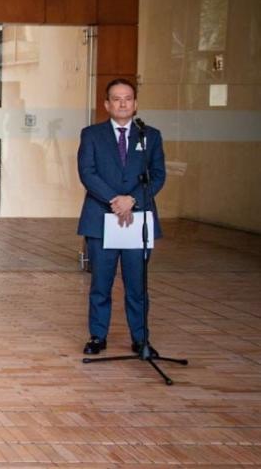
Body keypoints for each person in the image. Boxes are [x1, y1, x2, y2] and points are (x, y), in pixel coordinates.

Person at [78, 78, 166, 355]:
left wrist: (133, 200)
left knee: (137, 285)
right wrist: (115, 201)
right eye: (116, 98)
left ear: (136, 103)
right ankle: (97, 336)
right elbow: (87, 172)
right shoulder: (91, 134)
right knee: (100, 283)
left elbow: (158, 174)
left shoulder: (150, 135)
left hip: (138, 220)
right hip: (102, 218)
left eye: (128, 98)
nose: (123, 103)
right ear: (107, 104)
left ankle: (141, 339)